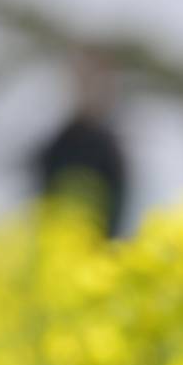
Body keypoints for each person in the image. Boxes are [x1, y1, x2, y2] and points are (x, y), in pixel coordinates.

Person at [33, 50, 127, 237]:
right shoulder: (57, 141)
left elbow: (117, 212)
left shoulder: (108, 148)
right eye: (81, 82)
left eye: (95, 83)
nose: (87, 91)